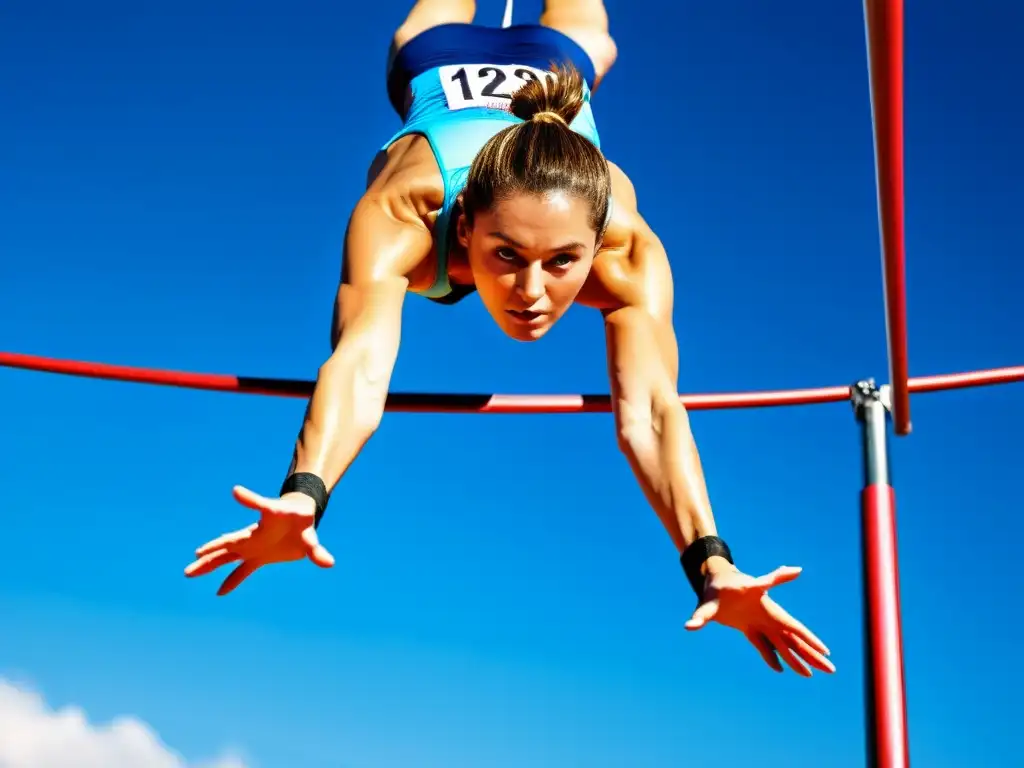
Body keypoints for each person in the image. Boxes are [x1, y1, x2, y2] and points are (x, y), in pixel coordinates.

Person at [185, 0, 835, 678]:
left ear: (594, 246)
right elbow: (361, 363)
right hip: (439, 62)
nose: (532, 292)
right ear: (463, 227)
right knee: (580, 41)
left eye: (562, 263)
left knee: (593, 46)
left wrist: (712, 560)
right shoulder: (405, 211)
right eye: (506, 255)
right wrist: (304, 492)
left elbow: (649, 413)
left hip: (539, 64)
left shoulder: (626, 250)